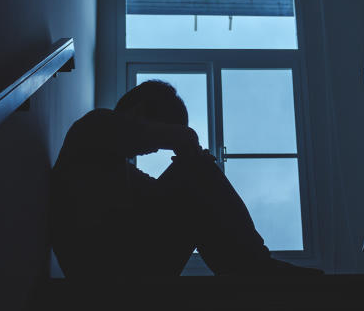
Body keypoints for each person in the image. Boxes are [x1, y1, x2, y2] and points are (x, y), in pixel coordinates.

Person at [50, 80, 322, 280]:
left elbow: (180, 202)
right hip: (104, 267)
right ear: (141, 108)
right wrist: (187, 150)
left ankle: (252, 267)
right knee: (195, 167)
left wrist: (191, 164)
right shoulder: (94, 125)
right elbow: (185, 139)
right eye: (159, 124)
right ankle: (256, 267)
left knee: (195, 171)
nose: (152, 150)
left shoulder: (125, 174)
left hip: (120, 265)